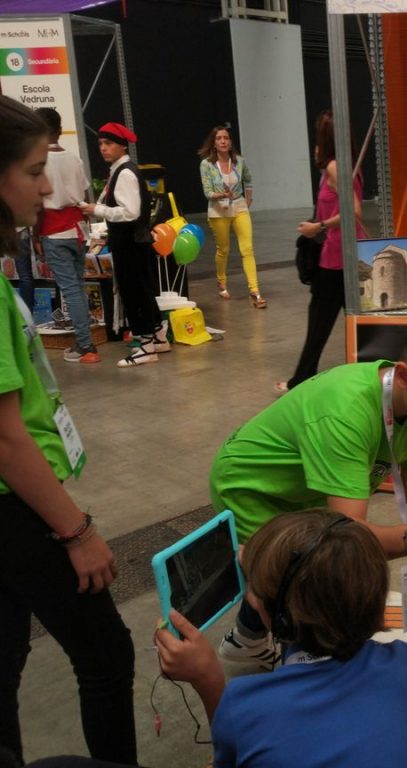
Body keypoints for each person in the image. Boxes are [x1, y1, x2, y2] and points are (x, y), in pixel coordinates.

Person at [211, 306, 407, 667]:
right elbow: (346, 535)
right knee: (298, 571)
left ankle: (250, 637)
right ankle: (260, 646)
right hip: (254, 487)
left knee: (307, 567)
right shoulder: (346, 413)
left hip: (308, 491)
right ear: (404, 375)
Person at [0, 96, 136, 766]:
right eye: (33, 172)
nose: (46, 188)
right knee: (106, 653)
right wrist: (76, 532)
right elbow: (4, 439)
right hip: (17, 508)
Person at [155, 510, 407, 766]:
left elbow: (230, 760)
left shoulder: (246, 705)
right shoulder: (405, 661)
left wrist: (207, 679)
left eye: (253, 590)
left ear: (280, 617)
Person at [277, 110, 367, 394]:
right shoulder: (342, 167)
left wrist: (319, 226)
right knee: (342, 321)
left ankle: (301, 379)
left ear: (325, 139)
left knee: (320, 321)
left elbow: (354, 212)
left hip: (338, 258)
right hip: (343, 256)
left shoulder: (336, 168)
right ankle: (305, 376)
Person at [80, 122, 168, 368]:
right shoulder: (121, 170)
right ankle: (158, 337)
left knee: (134, 293)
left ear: (122, 146)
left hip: (130, 243)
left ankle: (146, 346)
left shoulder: (125, 173)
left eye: (108, 143)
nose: (103, 148)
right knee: (143, 290)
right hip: (132, 242)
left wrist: (97, 209)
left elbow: (131, 212)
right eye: (100, 144)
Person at [35, 108, 98, 364]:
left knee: (71, 290)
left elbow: (37, 204)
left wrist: (36, 236)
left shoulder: (38, 161)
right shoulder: (73, 158)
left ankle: (86, 344)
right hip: (77, 229)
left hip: (53, 231)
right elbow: (85, 195)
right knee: (78, 287)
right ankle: (85, 340)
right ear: (60, 130)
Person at [197, 125, 265, 308]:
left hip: (239, 206)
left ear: (230, 141)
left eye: (226, 138)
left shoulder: (239, 162)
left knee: (247, 249)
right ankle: (221, 280)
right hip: (218, 210)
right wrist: (222, 194)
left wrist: (249, 198)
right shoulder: (206, 165)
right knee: (224, 249)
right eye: (219, 138)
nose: (223, 141)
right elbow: (207, 192)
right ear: (213, 143)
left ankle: (255, 291)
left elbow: (248, 179)